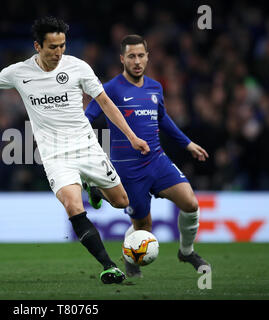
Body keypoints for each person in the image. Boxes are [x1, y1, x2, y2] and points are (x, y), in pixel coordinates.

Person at [0, 17, 150, 284]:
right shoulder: (20, 72)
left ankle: (93, 186)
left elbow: (105, 102)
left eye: (62, 46)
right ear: (37, 46)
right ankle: (108, 266)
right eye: (52, 47)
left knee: (122, 202)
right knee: (73, 206)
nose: (58, 52)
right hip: (55, 155)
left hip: (87, 147)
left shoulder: (78, 68)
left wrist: (132, 137)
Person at [84, 35, 210, 277]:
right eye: (131, 56)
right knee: (143, 228)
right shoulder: (110, 89)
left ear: (148, 57)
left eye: (141, 55)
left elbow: (162, 118)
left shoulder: (155, 87)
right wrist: (88, 149)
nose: (137, 61)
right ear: (122, 59)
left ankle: (186, 251)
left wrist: (188, 144)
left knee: (191, 204)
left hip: (157, 160)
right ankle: (130, 256)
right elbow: (88, 118)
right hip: (128, 170)